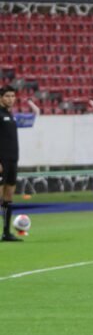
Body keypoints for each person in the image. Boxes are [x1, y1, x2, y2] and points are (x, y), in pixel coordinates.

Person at [0, 85, 20, 242]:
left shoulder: (10, 114)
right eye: (7, 96)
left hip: (12, 161)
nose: (10, 99)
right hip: (1, 162)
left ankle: (6, 232)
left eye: (13, 96)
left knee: (8, 197)